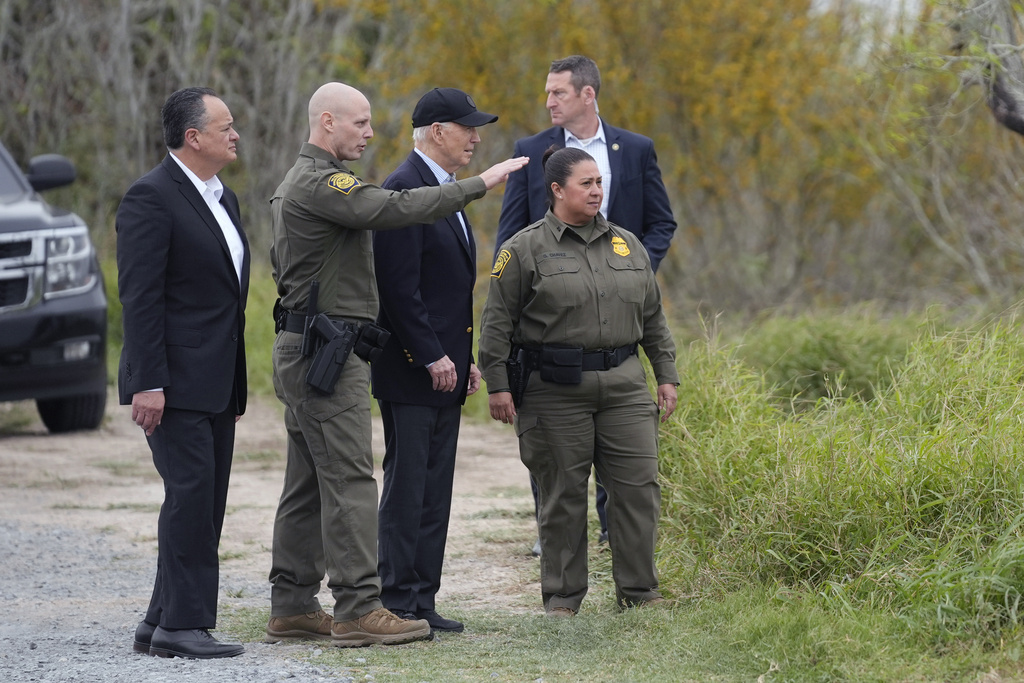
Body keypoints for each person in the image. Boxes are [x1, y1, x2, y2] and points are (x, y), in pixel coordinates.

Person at [266, 82, 527, 647]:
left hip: (314, 345)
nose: (369, 133)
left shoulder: (307, 181)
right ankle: (360, 607)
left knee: (308, 482)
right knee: (351, 480)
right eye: (359, 123)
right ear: (327, 122)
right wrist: (480, 185)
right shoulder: (324, 182)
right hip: (325, 350)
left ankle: (292, 604)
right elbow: (392, 210)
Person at [479, 147, 678, 616]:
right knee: (563, 494)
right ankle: (563, 597)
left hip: (625, 385)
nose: (596, 191)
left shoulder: (628, 244)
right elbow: (496, 323)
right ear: (557, 189)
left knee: (637, 489)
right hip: (554, 389)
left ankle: (639, 592)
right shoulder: (523, 249)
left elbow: (653, 317)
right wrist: (498, 384)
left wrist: (666, 374)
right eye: (585, 183)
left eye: (599, 182)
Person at [495, 55, 678, 548]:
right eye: (547, 92)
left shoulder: (635, 149)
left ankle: (611, 533)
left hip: (621, 311)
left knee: (620, 430)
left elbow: (662, 221)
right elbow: (510, 232)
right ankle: (552, 531)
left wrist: (633, 272)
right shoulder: (531, 151)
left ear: (587, 94)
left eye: (558, 92)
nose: (548, 101)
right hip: (551, 316)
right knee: (554, 438)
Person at [116, 87, 249, 659]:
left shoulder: (223, 198)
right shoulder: (150, 197)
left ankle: (160, 619)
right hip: (173, 382)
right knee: (190, 498)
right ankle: (184, 626)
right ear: (193, 137)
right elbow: (140, 298)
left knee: (204, 500)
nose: (235, 134)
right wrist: (147, 382)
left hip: (217, 380)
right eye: (225, 126)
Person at [372, 88, 498, 634]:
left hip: (446, 370)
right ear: (437, 131)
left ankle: (423, 598)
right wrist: (429, 355)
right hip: (411, 371)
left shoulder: (444, 190)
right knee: (407, 488)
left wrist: (461, 358)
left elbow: (447, 292)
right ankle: (397, 598)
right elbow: (399, 289)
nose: (476, 138)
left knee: (435, 487)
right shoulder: (404, 189)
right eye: (467, 128)